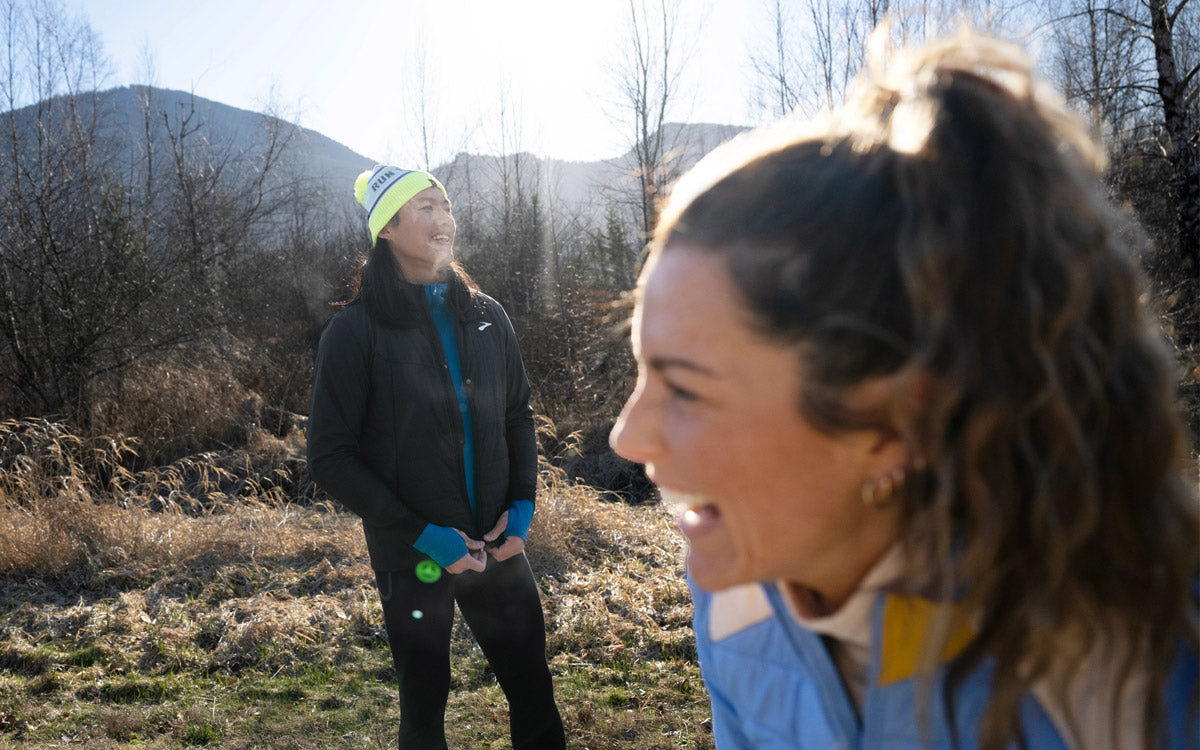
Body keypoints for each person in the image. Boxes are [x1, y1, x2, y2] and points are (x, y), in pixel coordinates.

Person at [609, 32, 1198, 750]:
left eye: (686, 390)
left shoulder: (1127, 677)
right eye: (643, 371)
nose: (627, 437)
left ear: (897, 419)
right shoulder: (734, 580)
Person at [307, 165, 565, 749]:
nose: (443, 217)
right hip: (416, 554)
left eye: (445, 205)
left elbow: (517, 415)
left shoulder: (488, 316)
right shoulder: (354, 332)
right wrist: (428, 537)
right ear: (388, 230)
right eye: (424, 207)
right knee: (424, 705)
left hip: (499, 542)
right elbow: (331, 456)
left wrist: (521, 509)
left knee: (533, 690)